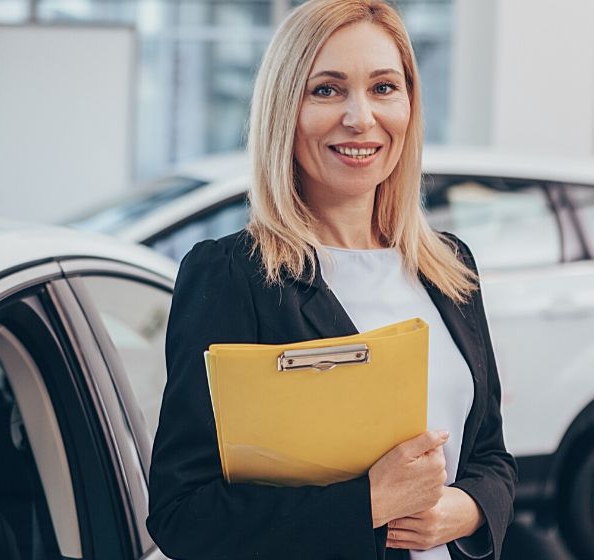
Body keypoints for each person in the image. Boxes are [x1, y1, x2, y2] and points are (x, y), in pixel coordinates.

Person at [146, 1, 516, 559]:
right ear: (284, 109)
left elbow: (491, 457)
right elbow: (182, 516)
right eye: (327, 90)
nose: (361, 118)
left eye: (384, 88)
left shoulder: (449, 267)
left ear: (410, 106)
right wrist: (367, 502)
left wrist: (464, 511)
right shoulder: (234, 275)